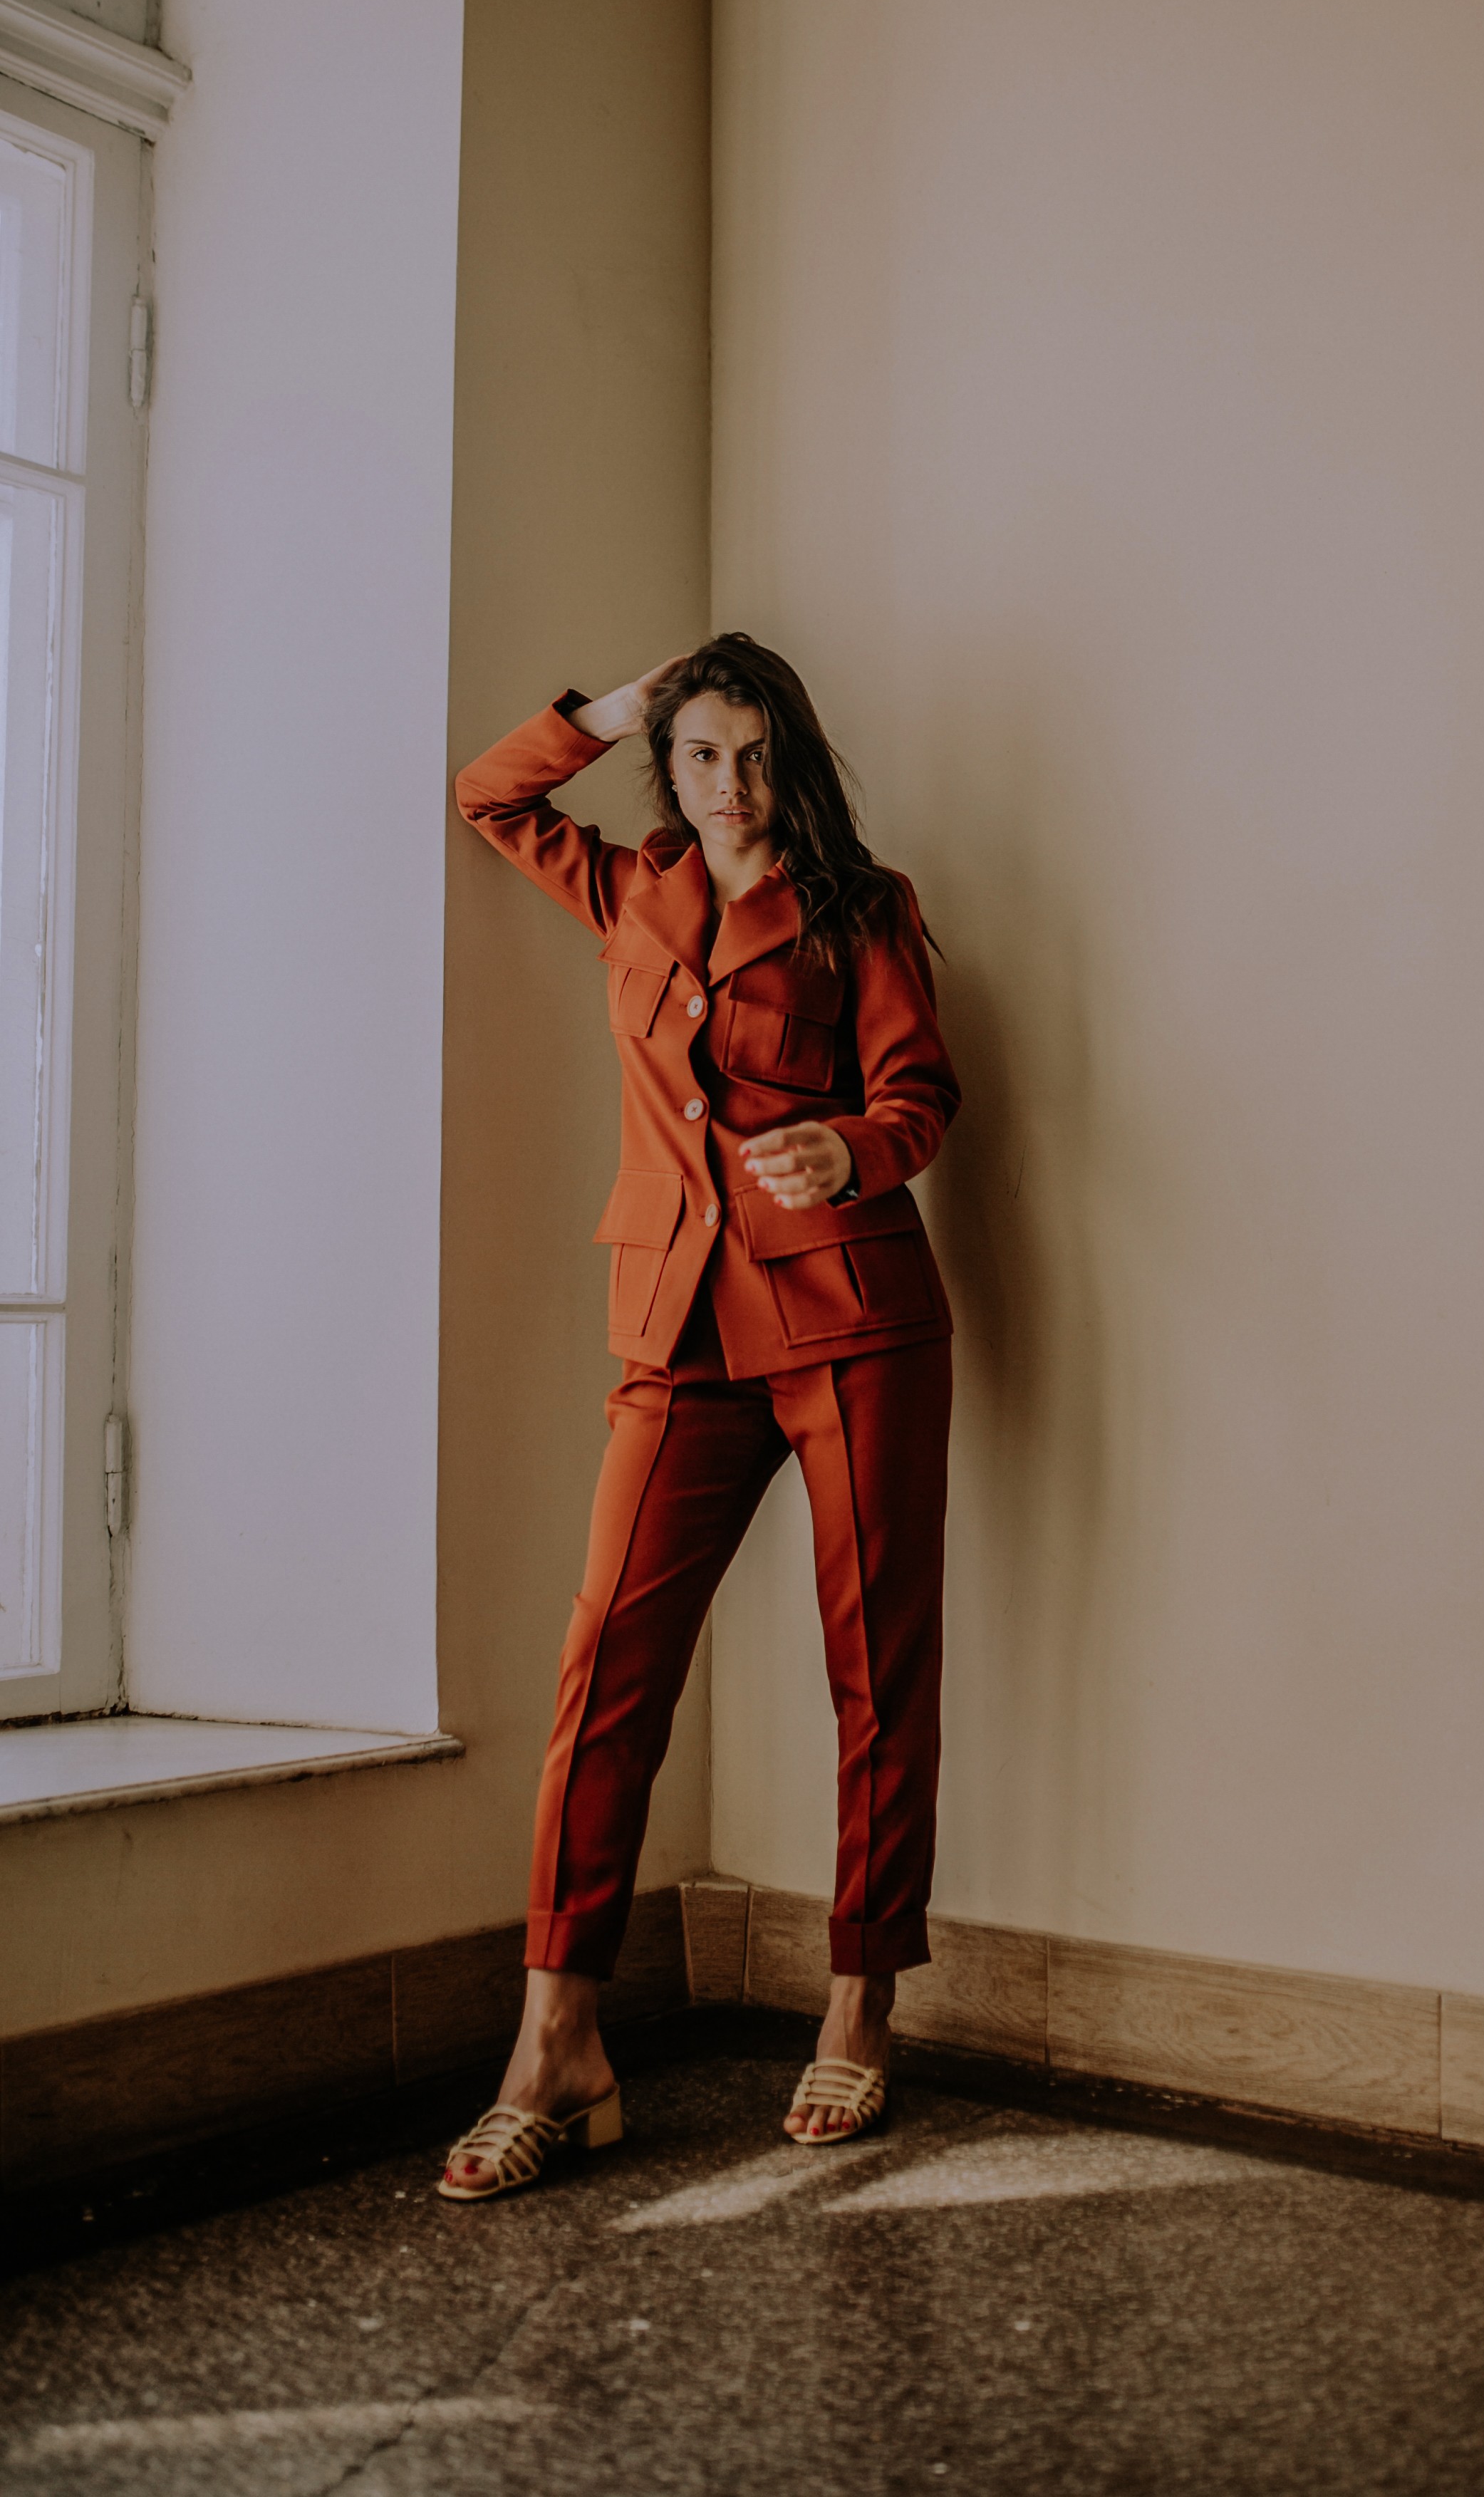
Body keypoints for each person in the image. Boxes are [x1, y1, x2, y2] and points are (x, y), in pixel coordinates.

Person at [439, 635, 959, 2201]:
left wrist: (852, 1152)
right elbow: (488, 797)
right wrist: (613, 710)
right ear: (668, 767)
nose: (729, 786)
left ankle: (859, 2005)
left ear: (793, 759)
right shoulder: (631, 893)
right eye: (700, 756)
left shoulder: (862, 908)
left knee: (876, 1668)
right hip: (677, 1332)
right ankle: (558, 2047)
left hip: (853, 1324)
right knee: (607, 1668)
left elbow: (920, 1098)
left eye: (753, 755)